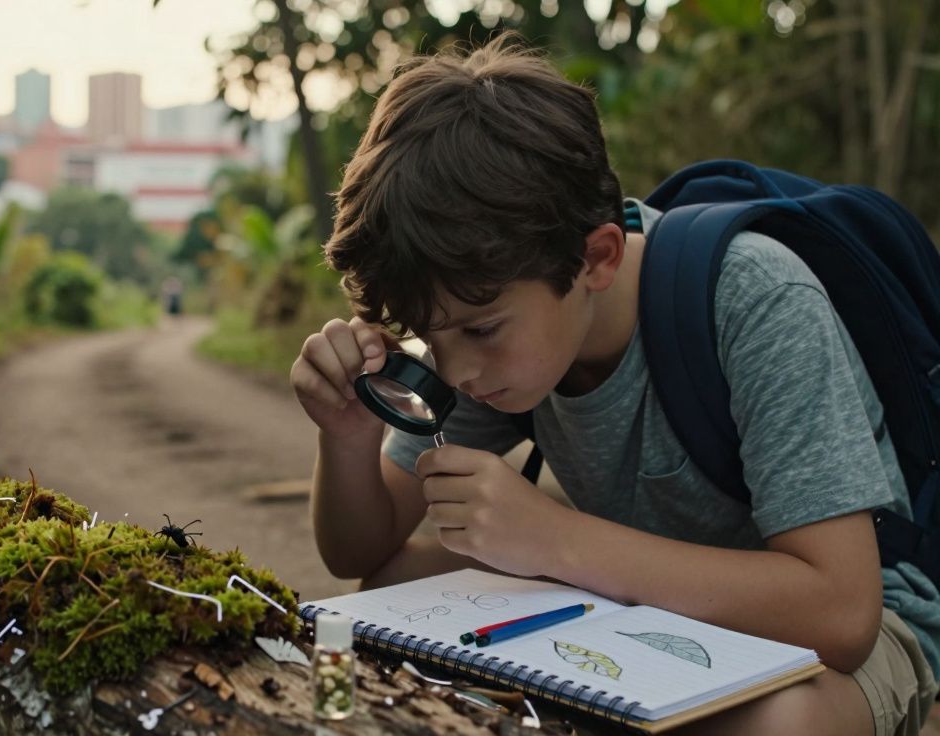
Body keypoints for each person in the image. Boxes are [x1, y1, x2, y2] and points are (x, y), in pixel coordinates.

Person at [290, 34, 938, 736]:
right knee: (390, 598)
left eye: (479, 331)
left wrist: (556, 541)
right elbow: (363, 555)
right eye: (427, 333)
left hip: (839, 628)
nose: (456, 373)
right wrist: (348, 438)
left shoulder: (752, 298)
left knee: (776, 725)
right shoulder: (505, 338)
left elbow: (841, 614)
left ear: (595, 257)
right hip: (639, 596)